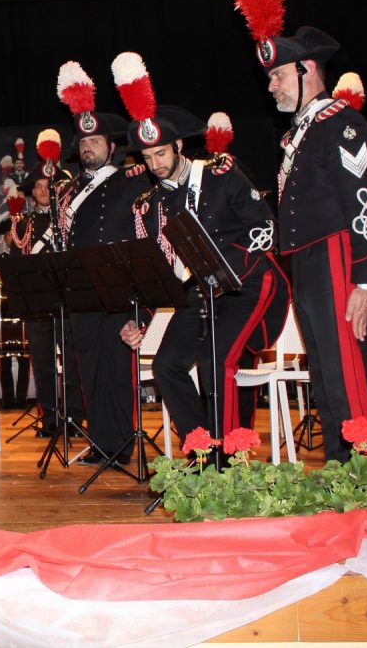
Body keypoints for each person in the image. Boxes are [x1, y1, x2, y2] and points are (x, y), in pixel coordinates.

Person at [233, 0, 367, 462]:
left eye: (277, 75)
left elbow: (366, 201)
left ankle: (365, 474)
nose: (270, 86)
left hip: (337, 258)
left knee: (345, 368)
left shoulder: (340, 123)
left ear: (307, 69)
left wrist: (366, 281)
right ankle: (338, 470)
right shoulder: (301, 134)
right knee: (324, 371)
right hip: (306, 262)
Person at [109, 53, 289, 442]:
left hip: (246, 286)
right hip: (198, 294)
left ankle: (231, 455)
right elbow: (159, 269)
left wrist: (224, 267)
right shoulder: (152, 204)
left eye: (161, 153)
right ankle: (202, 448)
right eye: (147, 157)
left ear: (178, 146)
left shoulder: (221, 174)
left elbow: (265, 229)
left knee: (216, 362)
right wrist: (139, 321)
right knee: (167, 366)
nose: (155, 164)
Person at [55, 60, 147, 465]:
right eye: (83, 141)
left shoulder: (132, 179)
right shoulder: (71, 190)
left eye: (95, 140)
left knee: (117, 368)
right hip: (82, 288)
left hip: (119, 284)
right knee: (88, 367)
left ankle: (123, 444)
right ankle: (102, 442)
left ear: (112, 146)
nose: (87, 146)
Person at [0, 129, 79, 435]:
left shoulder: (70, 221)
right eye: (39, 187)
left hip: (69, 302)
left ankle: (74, 418)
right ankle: (50, 419)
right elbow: (17, 263)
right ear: (32, 192)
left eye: (48, 186)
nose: (43, 191)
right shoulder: (23, 225)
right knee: (43, 366)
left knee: (72, 364)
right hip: (37, 305)